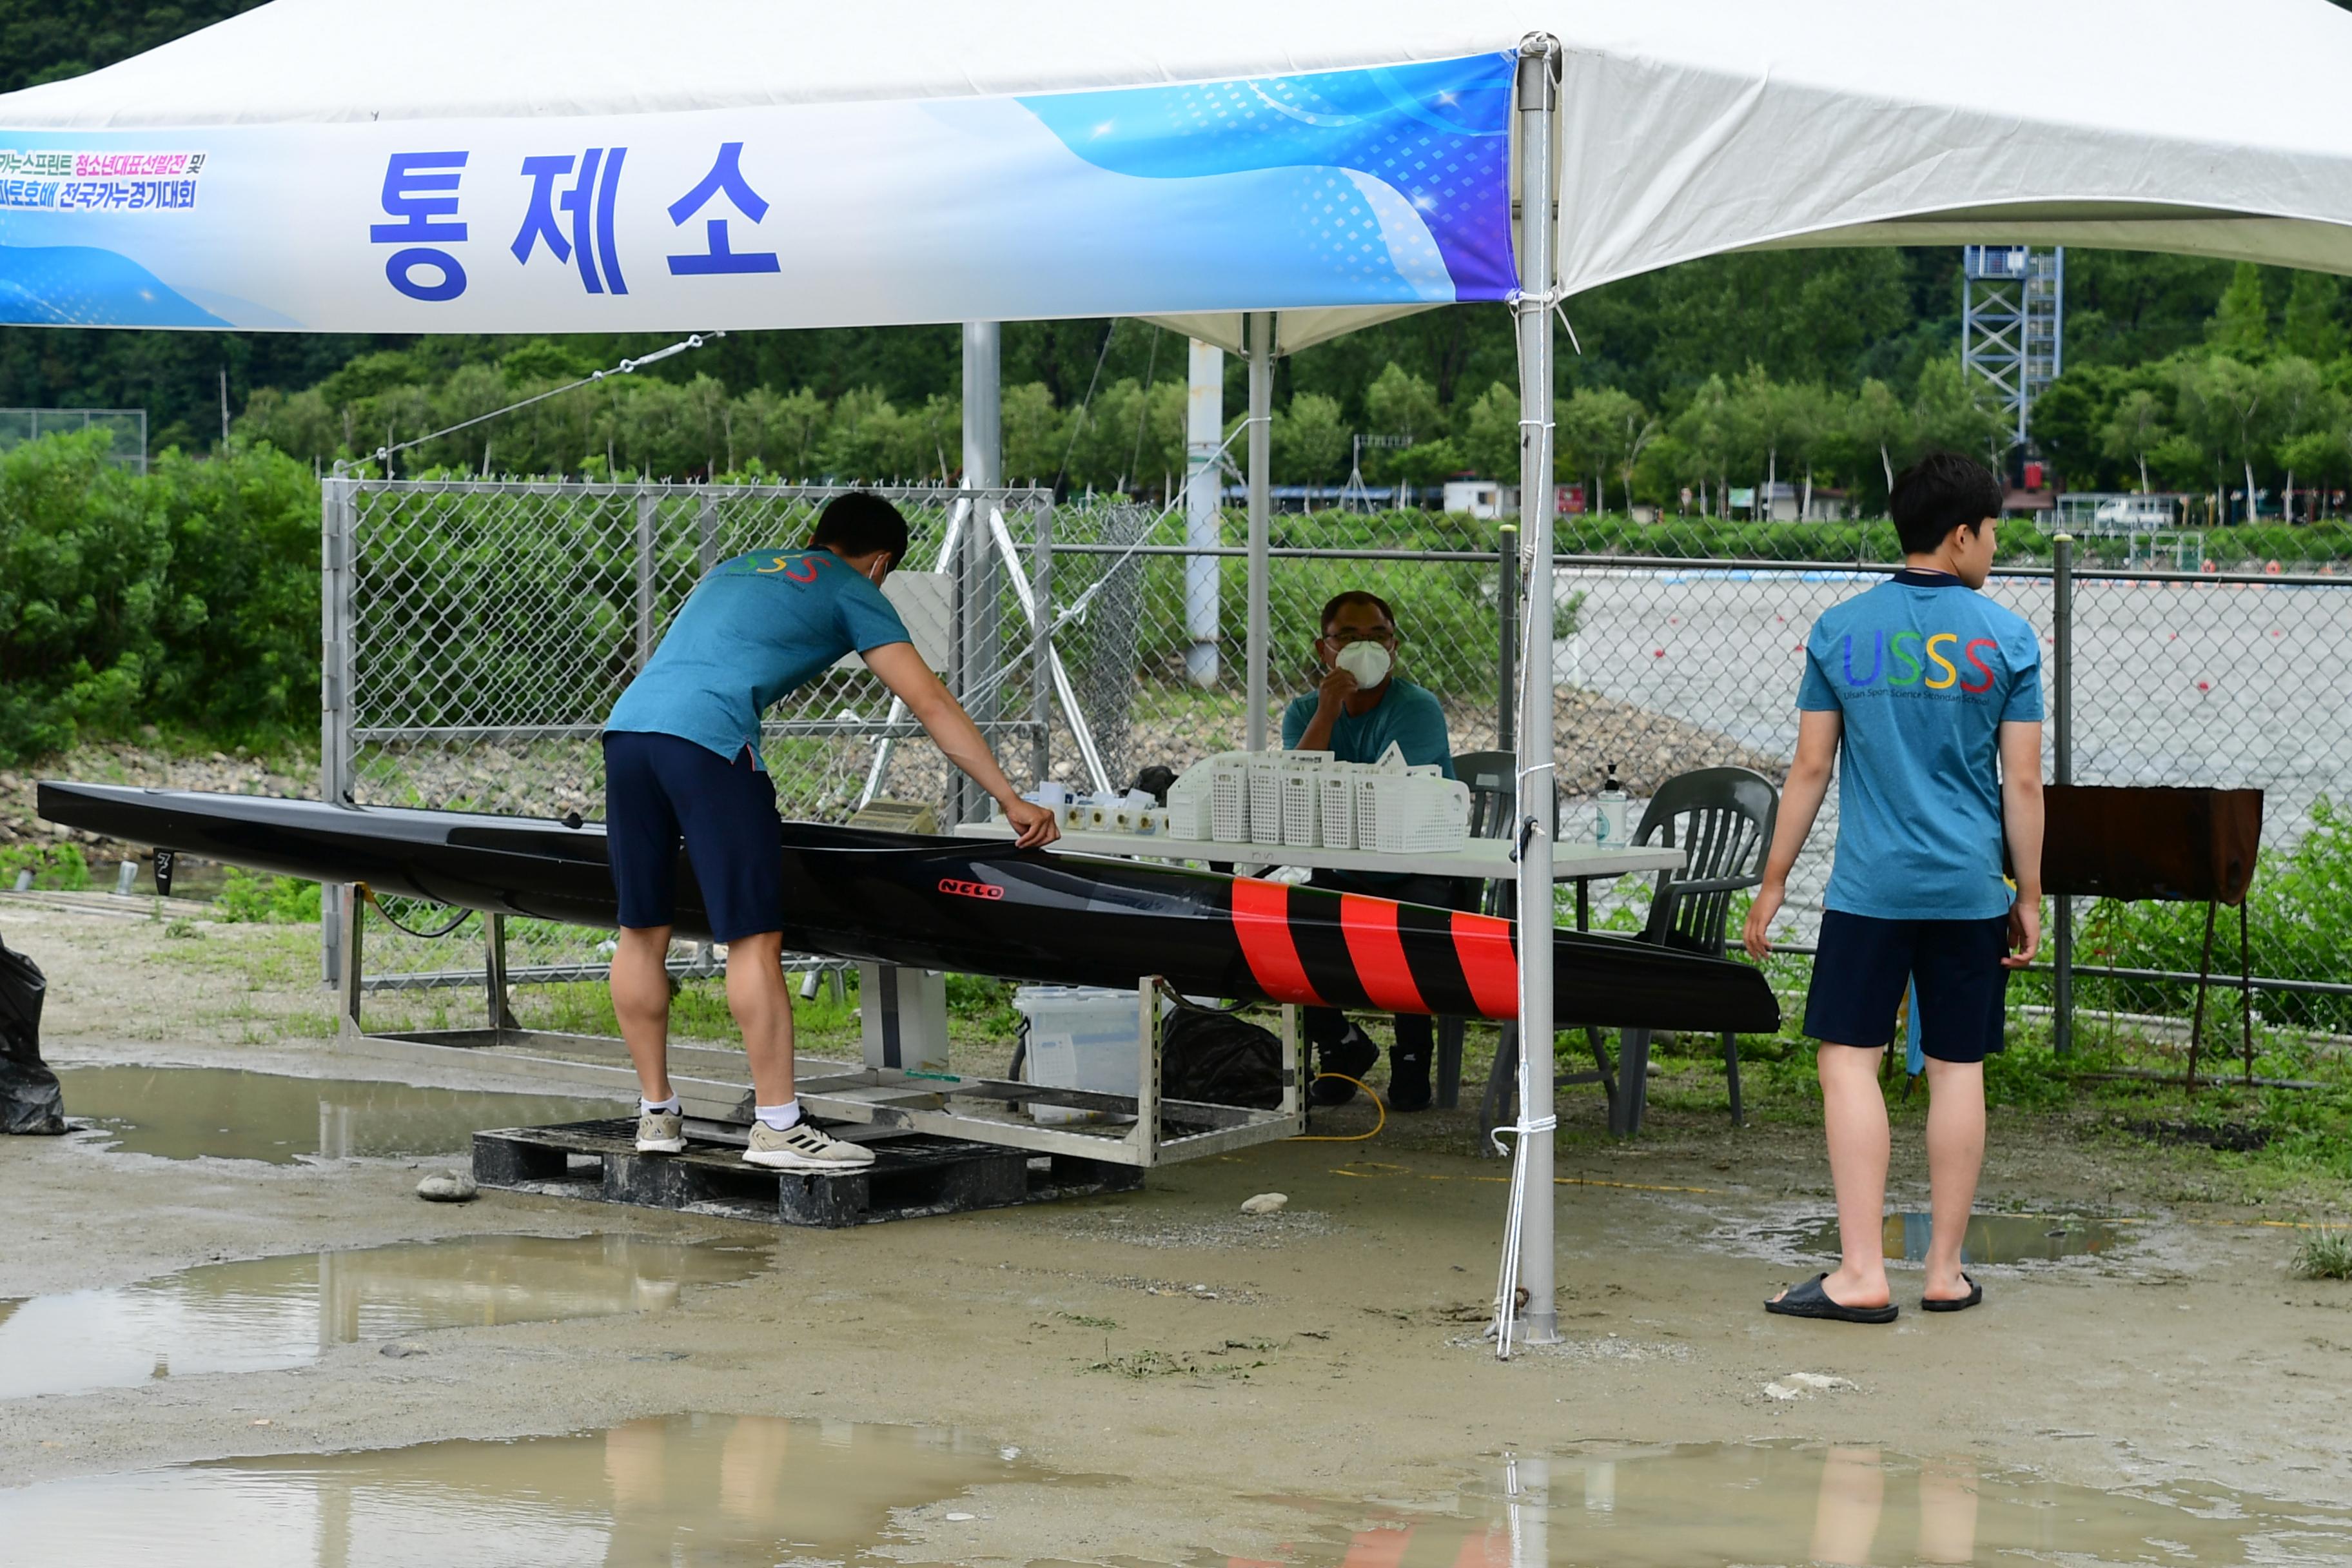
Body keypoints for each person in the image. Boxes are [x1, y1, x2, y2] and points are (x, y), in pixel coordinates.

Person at [602, 492, 1059, 1171]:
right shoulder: (853, 587)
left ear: (817, 534)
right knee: (752, 939)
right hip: (709, 740)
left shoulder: (737, 565)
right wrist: (1010, 797)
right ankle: (779, 1125)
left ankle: (657, 1115)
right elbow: (929, 700)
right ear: (880, 563)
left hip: (628, 732)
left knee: (642, 930)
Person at [1743, 452, 2043, 1322]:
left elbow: (1809, 768)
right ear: (1960, 536)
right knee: (1958, 1069)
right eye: (1993, 531)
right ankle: (1944, 1272)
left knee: (1849, 1062)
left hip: (1869, 892)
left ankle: (1862, 1274)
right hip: (1968, 893)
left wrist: (1772, 885)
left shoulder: (1840, 629)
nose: (1994, 546)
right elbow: (2021, 786)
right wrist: (2027, 893)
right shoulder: (2008, 639)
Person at [1279, 589, 1456, 1113]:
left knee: (1411, 926)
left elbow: (1392, 794)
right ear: (1323, 649)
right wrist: (1329, 709)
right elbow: (1293, 790)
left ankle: (1413, 1053)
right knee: (1294, 924)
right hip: (1345, 866)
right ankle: (1339, 1046)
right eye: (1349, 637)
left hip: (1414, 864)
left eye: (1377, 635)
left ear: (1394, 647)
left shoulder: (1418, 708)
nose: (1365, 645)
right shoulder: (1305, 711)